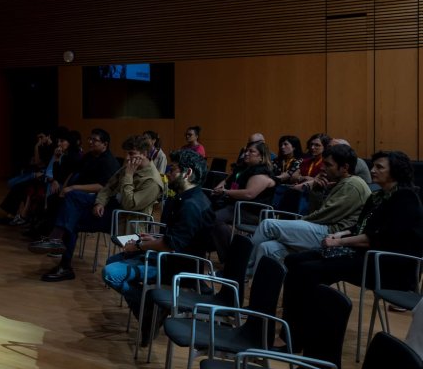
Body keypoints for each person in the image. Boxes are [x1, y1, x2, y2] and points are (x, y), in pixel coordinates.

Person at [282, 150, 423, 351]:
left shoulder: (405, 198)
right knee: (295, 261)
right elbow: (360, 227)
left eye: (379, 167)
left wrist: (339, 242)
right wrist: (339, 235)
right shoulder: (378, 196)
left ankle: (295, 339)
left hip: (388, 266)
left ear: (396, 172)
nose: (373, 170)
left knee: (306, 271)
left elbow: (379, 238)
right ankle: (300, 328)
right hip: (365, 255)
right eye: (373, 166)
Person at [101, 149, 215, 327]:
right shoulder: (189, 198)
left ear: (187, 173)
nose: (167, 173)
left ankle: (152, 306)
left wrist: (139, 245)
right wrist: (153, 238)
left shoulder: (191, 205)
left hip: (177, 267)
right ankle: (149, 309)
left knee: (111, 273)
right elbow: (177, 237)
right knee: (112, 261)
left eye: (173, 169)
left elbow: (172, 245)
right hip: (170, 258)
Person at [33, 134, 164, 282]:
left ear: (145, 153)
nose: (127, 158)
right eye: (127, 153)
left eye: (131, 154)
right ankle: (57, 243)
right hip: (111, 210)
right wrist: (99, 203)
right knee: (72, 197)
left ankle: (61, 255)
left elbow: (130, 205)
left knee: (72, 220)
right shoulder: (130, 167)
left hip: (125, 220)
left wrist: (128, 175)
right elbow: (108, 187)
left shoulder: (152, 181)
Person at [249, 143, 371, 272]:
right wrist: (317, 190)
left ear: (345, 167)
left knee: (267, 225)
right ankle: (260, 282)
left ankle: (243, 272)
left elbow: (324, 216)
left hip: (332, 234)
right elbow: (317, 212)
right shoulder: (340, 182)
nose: (323, 168)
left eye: (328, 165)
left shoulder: (353, 185)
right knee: (267, 247)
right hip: (322, 229)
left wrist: (300, 221)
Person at [23, 128, 119, 237]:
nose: (90, 142)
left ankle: (55, 237)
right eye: (90, 139)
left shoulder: (109, 162)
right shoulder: (89, 156)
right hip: (79, 192)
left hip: (95, 198)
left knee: (69, 198)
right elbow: (72, 172)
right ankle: (46, 234)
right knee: (54, 199)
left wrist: (73, 187)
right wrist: (64, 186)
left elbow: (102, 187)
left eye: (94, 140)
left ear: (105, 144)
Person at [209, 141, 276, 262]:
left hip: (253, 213)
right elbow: (228, 181)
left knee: (214, 219)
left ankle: (232, 259)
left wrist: (225, 192)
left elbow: (249, 194)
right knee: (207, 214)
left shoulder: (261, 173)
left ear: (261, 157)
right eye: (246, 151)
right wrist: (221, 187)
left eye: (251, 151)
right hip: (237, 207)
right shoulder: (244, 168)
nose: (246, 154)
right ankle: (229, 256)